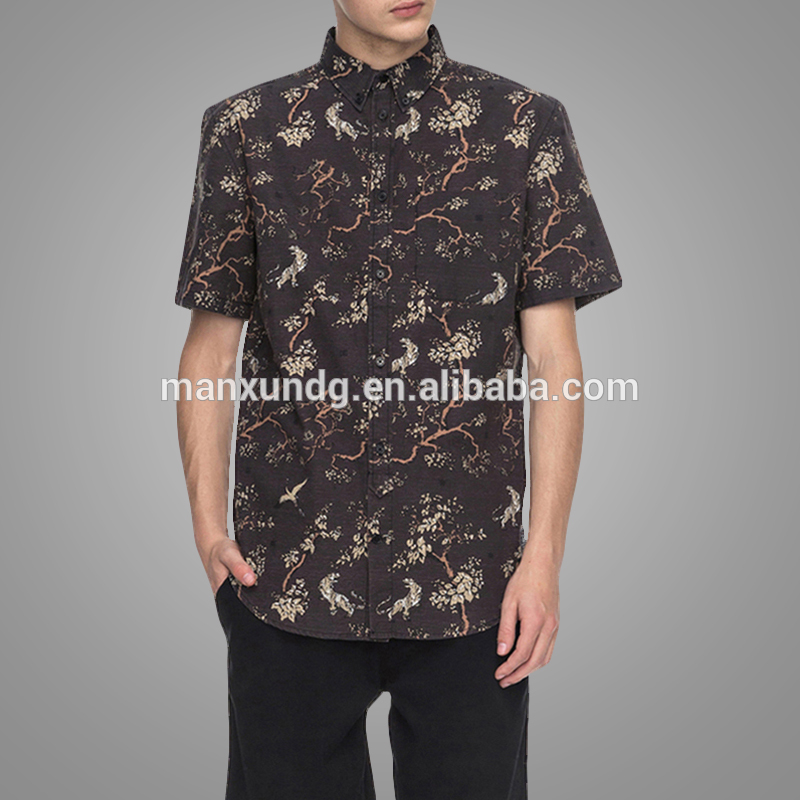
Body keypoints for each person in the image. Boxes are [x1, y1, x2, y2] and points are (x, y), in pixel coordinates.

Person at [174, 1, 622, 797]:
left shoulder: (525, 124)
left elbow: (554, 359)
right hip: (287, 582)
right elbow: (210, 350)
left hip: (474, 587)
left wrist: (544, 557)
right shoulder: (247, 128)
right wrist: (210, 534)